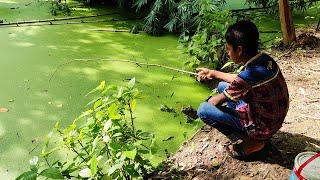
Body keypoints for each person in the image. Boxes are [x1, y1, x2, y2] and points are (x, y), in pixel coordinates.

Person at [196, 20, 289, 159]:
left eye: (228, 49)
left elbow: (214, 102)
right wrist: (213, 73)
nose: (228, 53)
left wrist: (209, 103)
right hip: (273, 118)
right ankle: (252, 136)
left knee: (203, 110)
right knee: (222, 86)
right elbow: (240, 80)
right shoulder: (264, 60)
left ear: (239, 50)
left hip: (263, 127)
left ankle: (250, 142)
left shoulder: (247, 77)